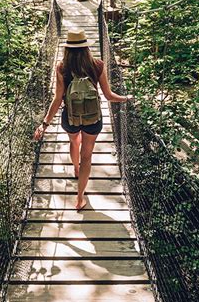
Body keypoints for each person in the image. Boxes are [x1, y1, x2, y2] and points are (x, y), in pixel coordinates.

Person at [33, 29, 130, 210]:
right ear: (86, 47)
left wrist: (44, 124)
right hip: (93, 119)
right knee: (87, 155)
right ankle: (80, 198)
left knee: (73, 142)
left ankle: (76, 169)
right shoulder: (97, 65)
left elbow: (58, 98)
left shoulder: (62, 67)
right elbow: (109, 96)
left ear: (67, 49)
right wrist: (126, 98)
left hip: (70, 118)